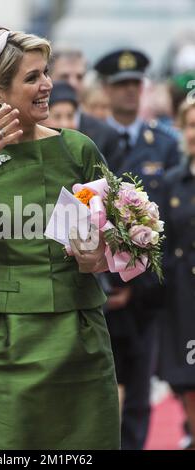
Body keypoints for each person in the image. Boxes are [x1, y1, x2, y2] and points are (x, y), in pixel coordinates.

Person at [0, 24, 120, 450]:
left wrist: (100, 256)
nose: (48, 84)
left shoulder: (78, 149)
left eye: (46, 72)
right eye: (32, 77)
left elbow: (114, 239)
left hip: (78, 334)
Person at [94, 48, 181, 450]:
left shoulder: (163, 146)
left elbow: (168, 226)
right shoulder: (88, 143)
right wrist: (109, 284)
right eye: (120, 85)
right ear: (107, 90)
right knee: (98, 395)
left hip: (145, 296)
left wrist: (137, 284)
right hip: (99, 296)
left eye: (135, 84)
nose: (129, 92)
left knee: (140, 399)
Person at [159, 99, 195, 450]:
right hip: (184, 297)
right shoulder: (173, 182)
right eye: (191, 125)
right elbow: (163, 241)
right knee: (188, 379)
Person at [49, 49, 120, 159]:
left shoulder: (105, 134)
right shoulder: (31, 129)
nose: (73, 83)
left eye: (79, 77)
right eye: (64, 76)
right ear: (48, 78)